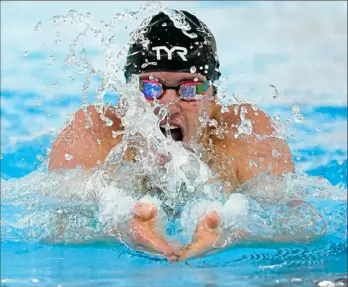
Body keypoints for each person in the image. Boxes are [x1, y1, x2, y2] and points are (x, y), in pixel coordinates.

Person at [48, 10, 295, 261]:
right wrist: (122, 229)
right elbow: (55, 225)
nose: (169, 104)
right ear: (127, 94)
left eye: (190, 88)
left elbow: (298, 224)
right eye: (151, 87)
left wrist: (231, 233)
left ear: (213, 94)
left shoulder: (244, 131)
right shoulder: (94, 130)